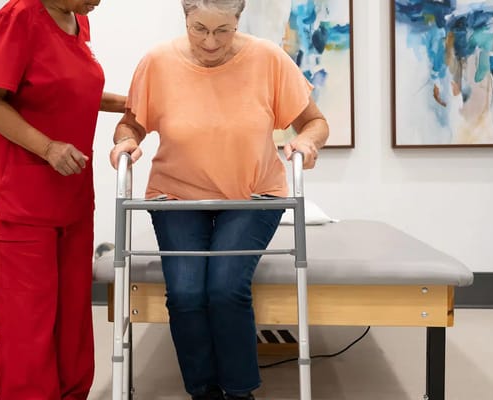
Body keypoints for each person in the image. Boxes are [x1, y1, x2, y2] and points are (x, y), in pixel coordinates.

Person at [108, 1, 329, 399]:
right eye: (199, 29)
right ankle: (204, 391)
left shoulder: (268, 58)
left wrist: (307, 144)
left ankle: (240, 392)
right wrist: (125, 142)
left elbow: (315, 122)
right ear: (185, 18)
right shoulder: (157, 62)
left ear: (238, 21)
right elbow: (131, 122)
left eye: (222, 30)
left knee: (226, 287)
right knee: (186, 293)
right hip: (176, 194)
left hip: (252, 194)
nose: (210, 42)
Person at [0, 0, 126, 398]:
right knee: (29, 328)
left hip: (69, 196)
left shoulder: (76, 18)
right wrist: (48, 147)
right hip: (18, 198)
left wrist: (132, 104)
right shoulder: (18, 18)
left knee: (72, 324)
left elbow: (71, 87)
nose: (98, 0)